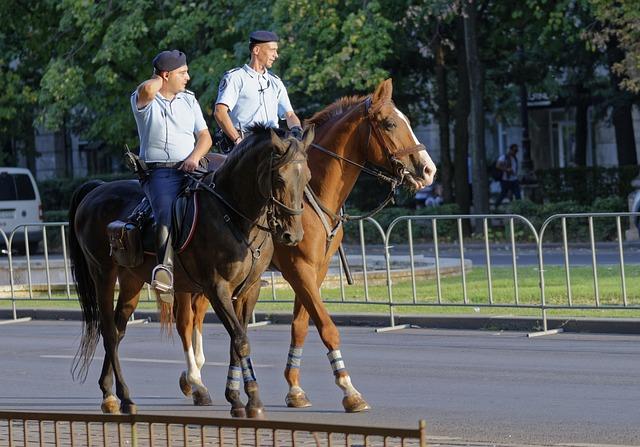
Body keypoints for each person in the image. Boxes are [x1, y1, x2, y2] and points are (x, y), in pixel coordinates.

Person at [130, 49, 212, 297]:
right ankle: (164, 270)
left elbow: (205, 137)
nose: (188, 77)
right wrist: (159, 77)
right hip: (160, 174)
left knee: (219, 202)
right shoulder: (144, 99)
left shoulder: (189, 100)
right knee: (165, 211)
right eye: (182, 72)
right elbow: (147, 90)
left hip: (192, 167)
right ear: (166, 75)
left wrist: (194, 157)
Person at [213, 30, 302, 151]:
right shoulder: (235, 77)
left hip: (272, 145)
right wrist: (238, 141)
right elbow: (220, 112)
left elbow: (290, 114)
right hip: (244, 146)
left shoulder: (276, 82)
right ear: (256, 50)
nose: (276, 55)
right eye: (272, 50)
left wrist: (296, 129)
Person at [495, 143, 521, 209]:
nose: (516, 152)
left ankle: (520, 208)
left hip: (514, 179)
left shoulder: (514, 158)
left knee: (518, 195)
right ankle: (496, 206)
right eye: (514, 151)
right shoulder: (504, 157)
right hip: (506, 180)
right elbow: (497, 165)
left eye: (516, 151)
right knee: (503, 194)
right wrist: (506, 169)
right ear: (511, 150)